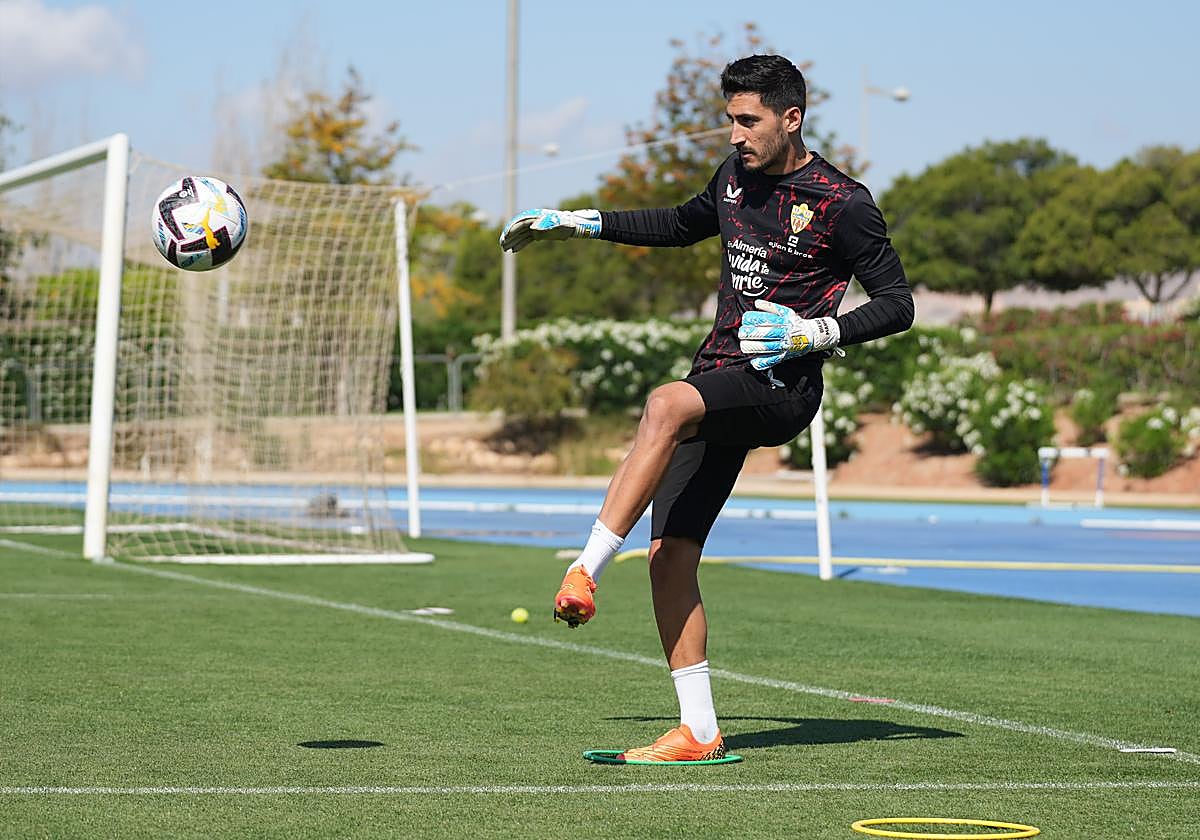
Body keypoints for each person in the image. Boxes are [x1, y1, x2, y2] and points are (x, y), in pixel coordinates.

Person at [498, 54, 914, 762]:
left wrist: (816, 332)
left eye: (748, 120)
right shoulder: (733, 179)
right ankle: (699, 729)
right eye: (729, 119)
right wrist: (581, 222)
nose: (734, 135)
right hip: (719, 376)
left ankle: (585, 569)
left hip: (781, 385)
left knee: (664, 404)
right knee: (670, 556)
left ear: (792, 118)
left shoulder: (844, 201)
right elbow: (681, 222)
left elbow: (898, 303)